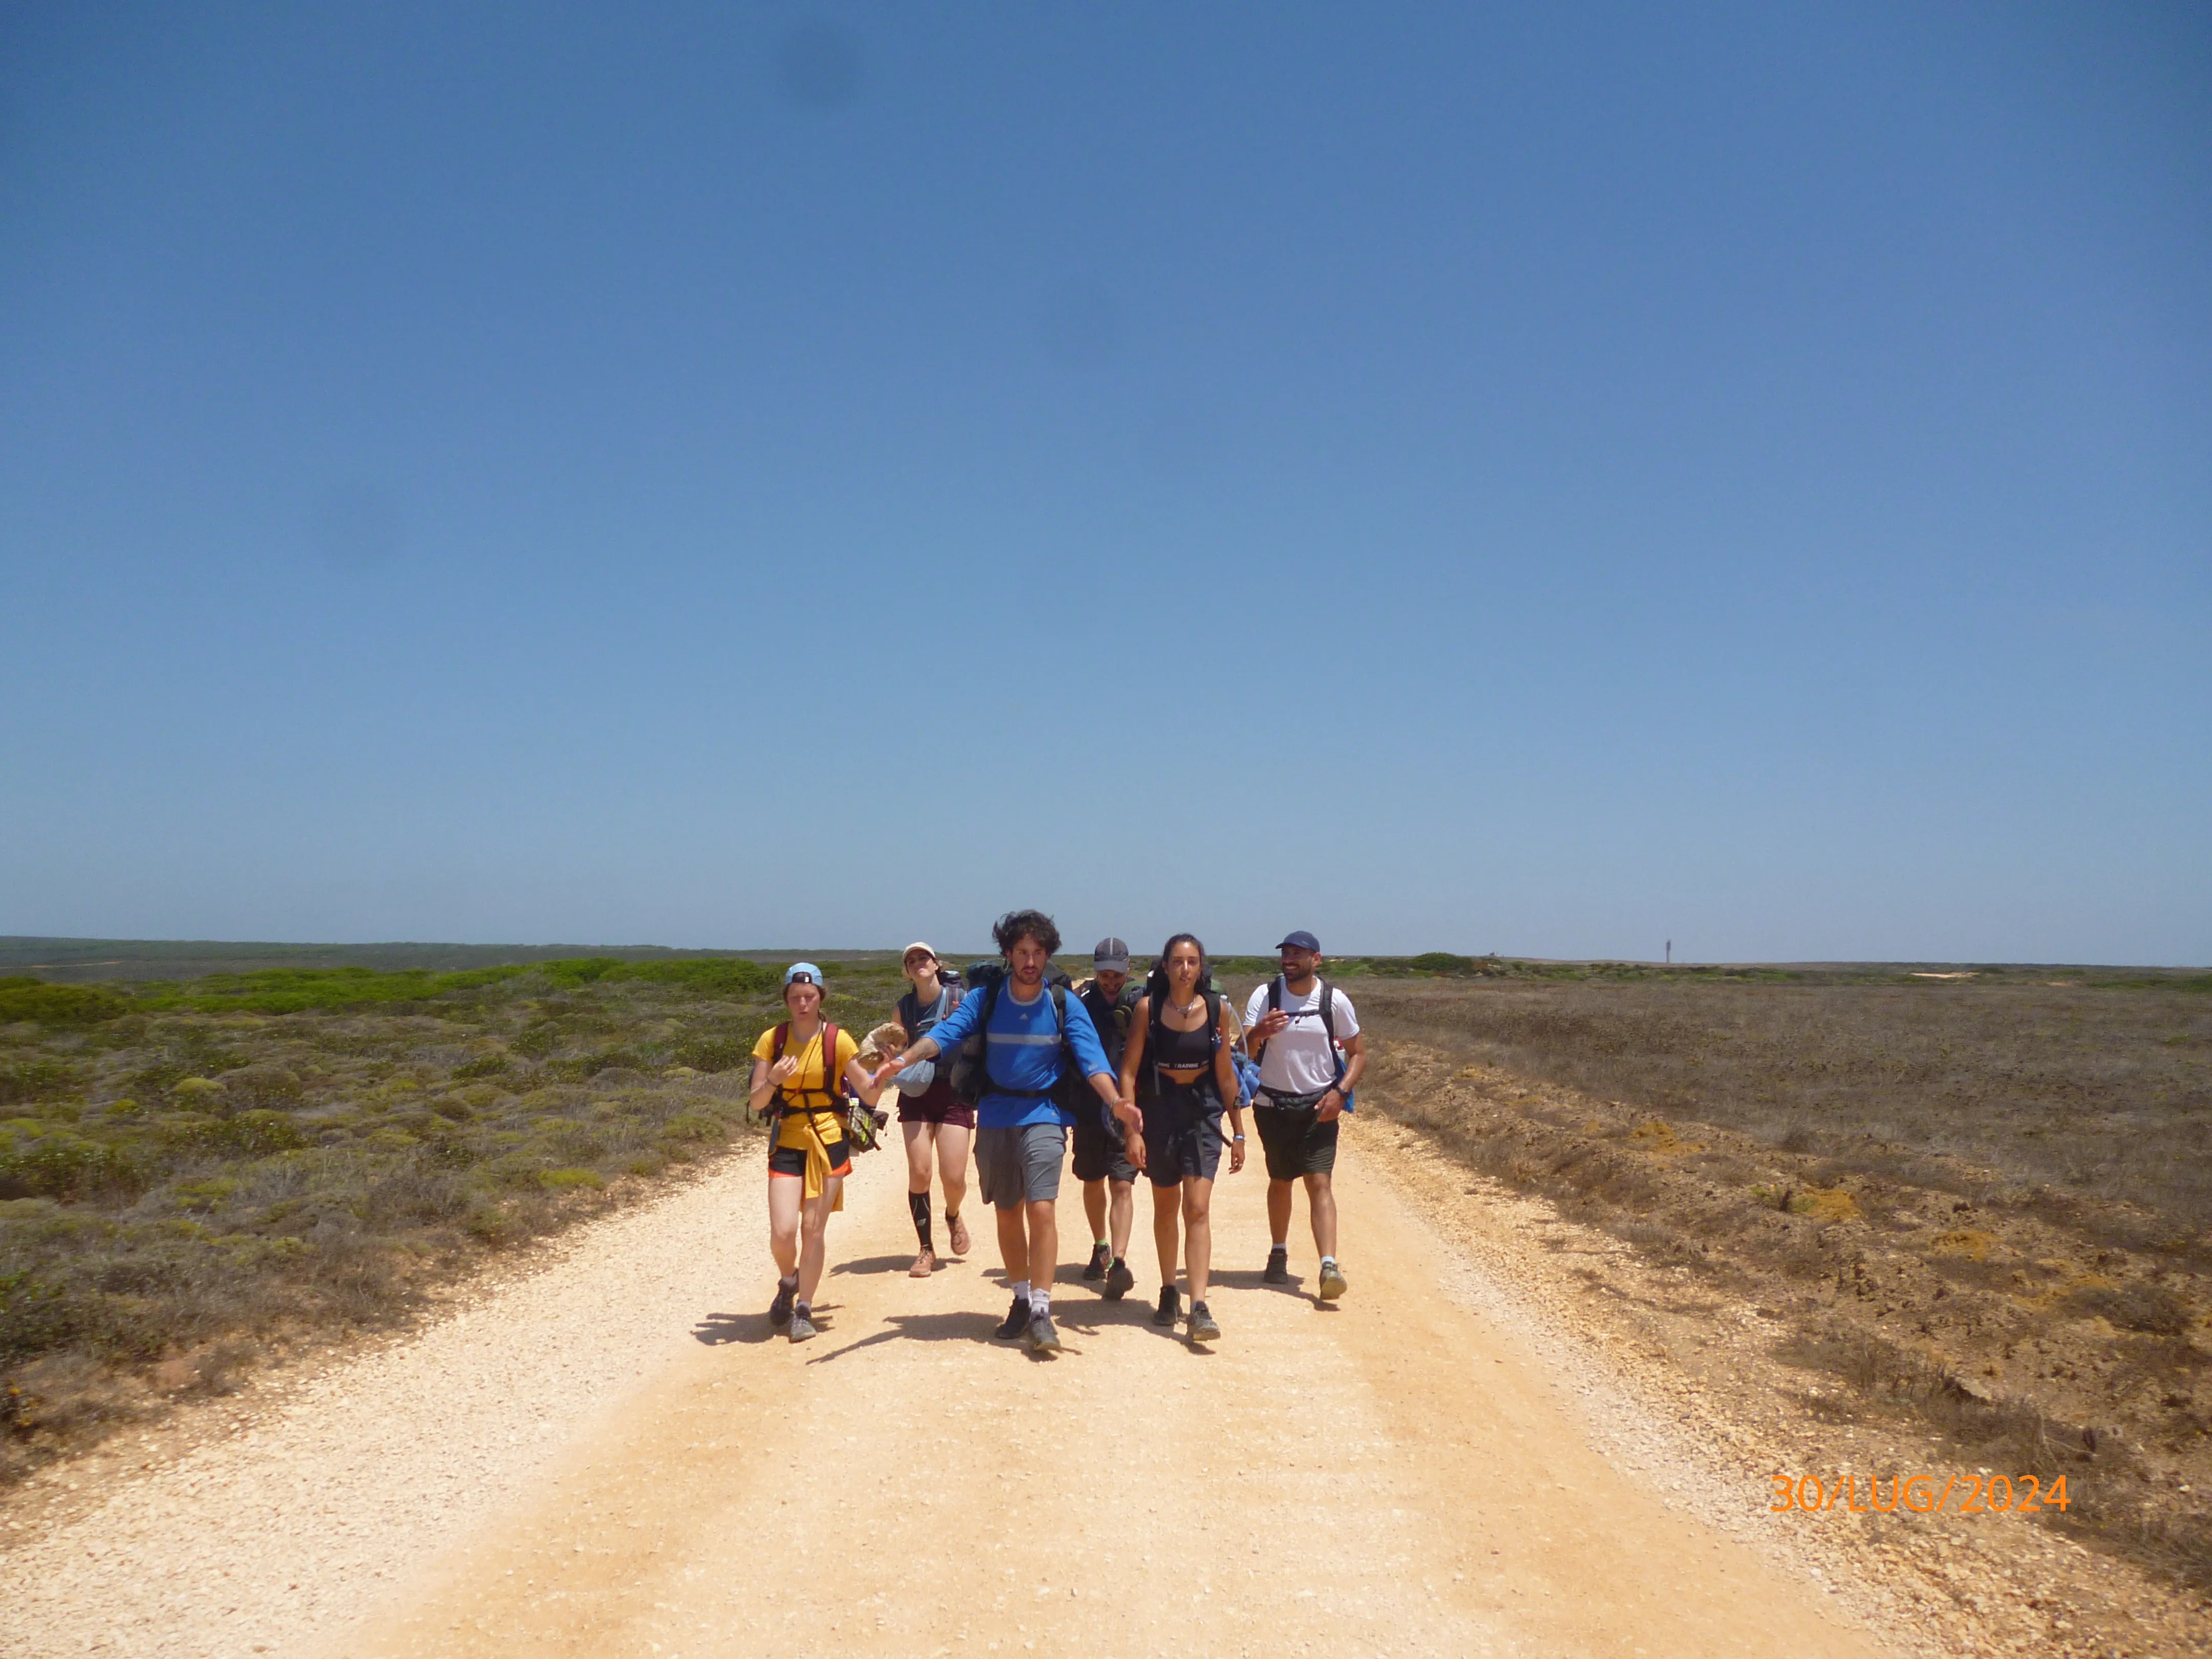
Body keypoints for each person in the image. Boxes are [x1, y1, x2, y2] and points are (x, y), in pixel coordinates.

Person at [871, 910, 1136, 1355]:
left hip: (1045, 1112)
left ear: (1047, 955)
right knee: (1008, 1211)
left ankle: (1041, 1309)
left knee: (1043, 1209)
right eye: (1021, 953)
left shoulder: (1063, 1003)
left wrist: (1116, 1102)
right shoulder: (986, 998)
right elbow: (945, 1034)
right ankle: (1019, 1297)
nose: (1030, 961)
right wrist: (904, 1060)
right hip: (995, 1113)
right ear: (1009, 955)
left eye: (1037, 953)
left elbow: (1093, 1061)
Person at [748, 963, 892, 1343]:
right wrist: (774, 1080)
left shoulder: (839, 1041)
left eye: (809, 997)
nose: (803, 1003)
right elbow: (756, 1098)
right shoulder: (771, 1040)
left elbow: (869, 1093)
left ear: (820, 998)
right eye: (795, 997)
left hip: (828, 1139)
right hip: (788, 1139)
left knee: (814, 1230)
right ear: (786, 1000)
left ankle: (804, 1309)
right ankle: (788, 1279)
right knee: (783, 1233)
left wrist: (885, 1071)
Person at [1116, 934, 1247, 1345]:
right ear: (1166, 967)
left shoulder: (1216, 1010)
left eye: (1192, 962)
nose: (1185, 969)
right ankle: (1169, 1288)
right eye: (1178, 962)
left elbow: (1227, 1075)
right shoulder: (1147, 1010)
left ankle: (1200, 1306)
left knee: (1198, 1208)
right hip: (1159, 1113)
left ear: (1201, 967)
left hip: (1203, 1113)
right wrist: (1132, 1130)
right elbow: (1129, 1073)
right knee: (1166, 1206)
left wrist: (1239, 1130)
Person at [1244, 930, 1367, 1301]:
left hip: (1320, 1106)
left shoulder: (1334, 1001)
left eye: (1298, 954)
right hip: (1272, 1105)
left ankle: (1328, 1265)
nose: (1289, 960)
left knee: (1319, 1182)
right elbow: (1243, 1050)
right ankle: (1278, 1252)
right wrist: (1259, 1033)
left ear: (1317, 959)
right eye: (1286, 953)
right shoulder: (1265, 996)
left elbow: (1358, 1053)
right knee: (1281, 1180)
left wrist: (1340, 1093)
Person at [892, 942, 972, 1277]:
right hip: (917, 1093)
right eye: (911, 961)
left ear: (936, 964)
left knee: (953, 1177)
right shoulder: (904, 1009)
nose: (918, 963)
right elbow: (893, 1049)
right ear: (908, 972)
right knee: (920, 1172)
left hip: (955, 1091)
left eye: (923, 957)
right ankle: (926, 1249)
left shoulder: (961, 1000)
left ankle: (953, 1214)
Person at [1071, 938, 1142, 1301]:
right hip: (1088, 1108)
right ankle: (1100, 1244)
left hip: (1129, 1106)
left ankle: (1118, 1259)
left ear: (1128, 969)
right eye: (1105, 975)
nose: (1111, 981)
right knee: (1091, 1177)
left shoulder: (1142, 1003)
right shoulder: (1081, 1005)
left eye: (1117, 974)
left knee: (1122, 1183)